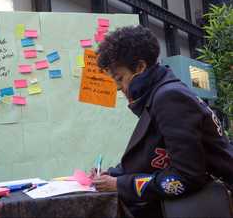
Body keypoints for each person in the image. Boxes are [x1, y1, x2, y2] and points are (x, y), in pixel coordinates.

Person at [91, 25, 233, 217]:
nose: (118, 88)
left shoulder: (169, 97)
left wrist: (119, 184)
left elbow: (186, 177)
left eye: (120, 78)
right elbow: (153, 155)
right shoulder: (162, 93)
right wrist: (113, 174)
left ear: (140, 67)